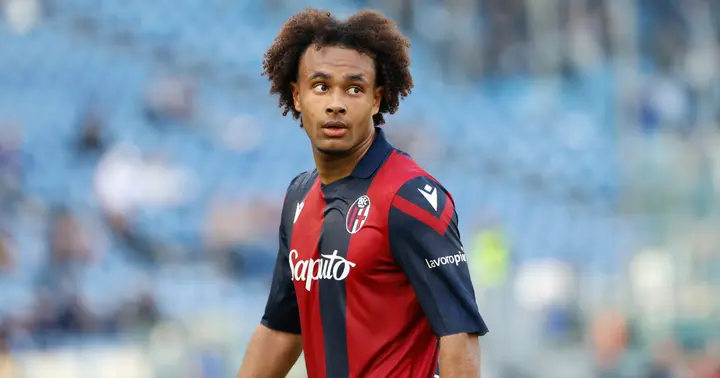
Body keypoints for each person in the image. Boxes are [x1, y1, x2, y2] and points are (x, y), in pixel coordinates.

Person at [237, 8, 488, 378]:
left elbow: (459, 337)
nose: (335, 102)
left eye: (354, 88)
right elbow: (280, 329)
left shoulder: (411, 197)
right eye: (321, 86)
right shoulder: (298, 198)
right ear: (296, 96)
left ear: (375, 99)